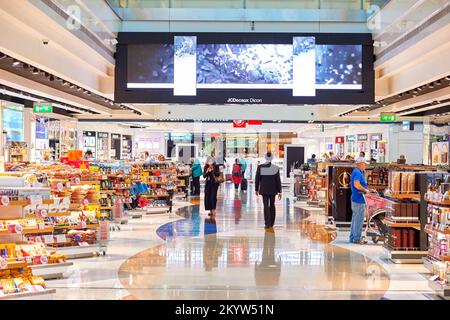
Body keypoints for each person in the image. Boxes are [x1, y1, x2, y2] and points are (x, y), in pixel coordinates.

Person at [255, 152, 282, 231]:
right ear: (272, 158)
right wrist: (280, 191)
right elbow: (278, 180)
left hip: (264, 189)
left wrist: (256, 189)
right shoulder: (275, 168)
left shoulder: (260, 167)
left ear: (265, 158)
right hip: (273, 189)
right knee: (272, 205)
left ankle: (267, 223)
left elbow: (257, 179)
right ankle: (272, 223)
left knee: (265, 205)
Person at [349, 159, 369, 244]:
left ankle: (353, 237)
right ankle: (357, 238)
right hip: (359, 200)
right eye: (364, 164)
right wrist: (365, 190)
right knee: (358, 220)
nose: (365, 166)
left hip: (356, 199)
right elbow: (356, 184)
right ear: (360, 164)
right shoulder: (357, 172)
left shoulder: (358, 172)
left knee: (355, 219)